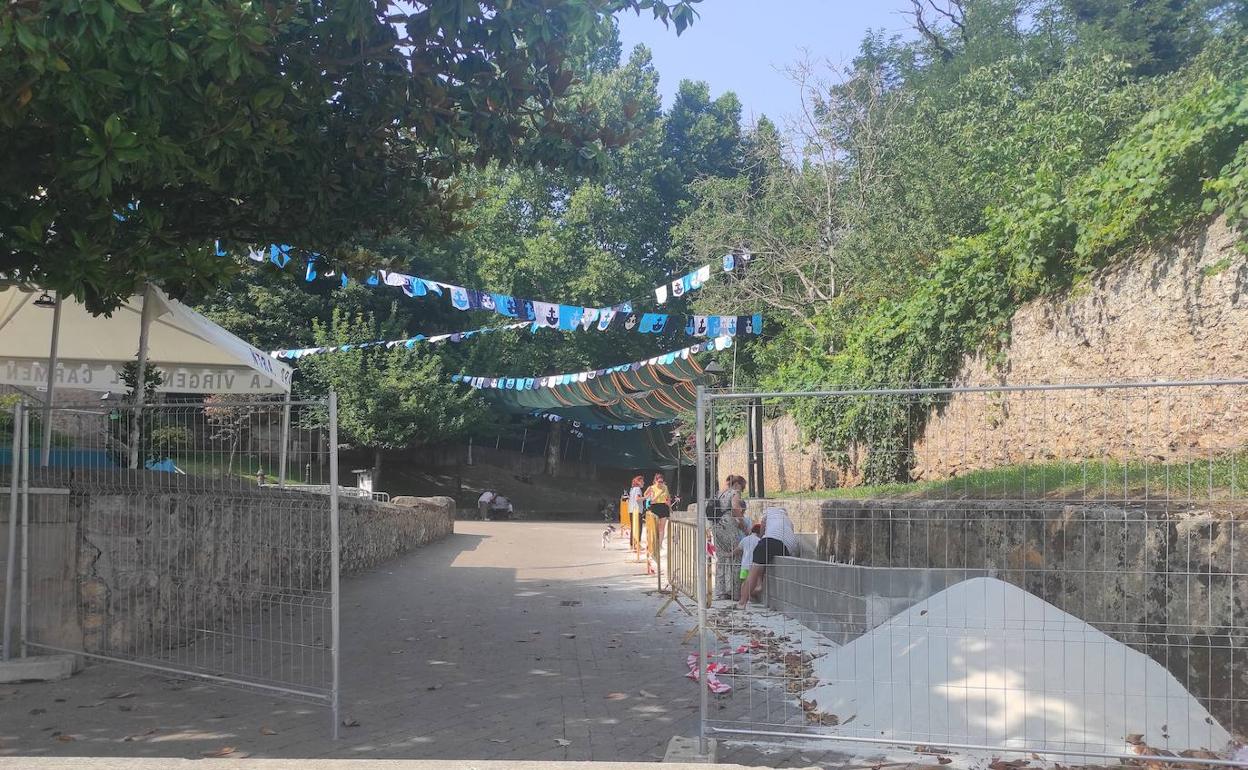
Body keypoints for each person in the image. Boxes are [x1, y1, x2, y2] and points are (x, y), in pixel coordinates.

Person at [738, 506, 797, 609]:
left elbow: (762, 529)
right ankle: (760, 584)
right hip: (787, 547)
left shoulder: (768, 514)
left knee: (754, 570)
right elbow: (792, 533)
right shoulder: (788, 520)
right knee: (765, 560)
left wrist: (760, 539)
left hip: (770, 540)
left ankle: (742, 603)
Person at [710, 475, 748, 599]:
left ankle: (721, 591)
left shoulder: (720, 493)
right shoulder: (734, 493)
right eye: (742, 488)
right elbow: (736, 508)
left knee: (721, 557)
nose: (740, 491)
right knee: (735, 555)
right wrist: (743, 524)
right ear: (738, 484)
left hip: (716, 525)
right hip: (728, 525)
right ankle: (734, 592)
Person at [643, 472, 672, 552]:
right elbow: (651, 500)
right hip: (655, 507)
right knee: (654, 527)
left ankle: (660, 544)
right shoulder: (652, 488)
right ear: (655, 481)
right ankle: (653, 543)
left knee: (662, 528)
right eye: (659, 482)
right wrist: (659, 493)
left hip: (664, 507)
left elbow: (668, 497)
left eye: (662, 482)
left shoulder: (665, 487)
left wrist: (669, 507)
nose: (660, 483)